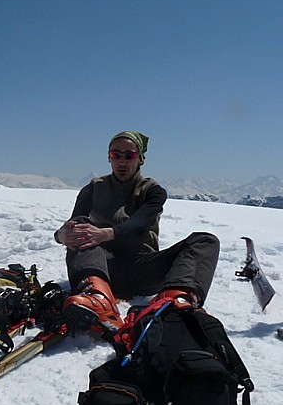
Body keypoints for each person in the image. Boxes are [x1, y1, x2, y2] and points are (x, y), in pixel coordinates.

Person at [54, 131, 220, 336]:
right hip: (100, 266)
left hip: (144, 268)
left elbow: (139, 224)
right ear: (109, 157)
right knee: (80, 227)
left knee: (205, 241)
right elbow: (75, 224)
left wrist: (105, 234)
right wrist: (62, 235)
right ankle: (98, 296)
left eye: (129, 155)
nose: (122, 161)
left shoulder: (153, 191)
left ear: (140, 159)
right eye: (116, 155)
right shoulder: (93, 188)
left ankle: (175, 302)